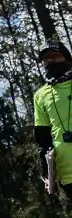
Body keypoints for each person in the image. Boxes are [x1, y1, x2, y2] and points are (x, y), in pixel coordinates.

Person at [34, 41, 72, 201]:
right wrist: (47, 174)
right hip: (68, 174)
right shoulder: (40, 95)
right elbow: (42, 139)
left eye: (55, 56)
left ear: (67, 58)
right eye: (46, 59)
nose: (50, 61)